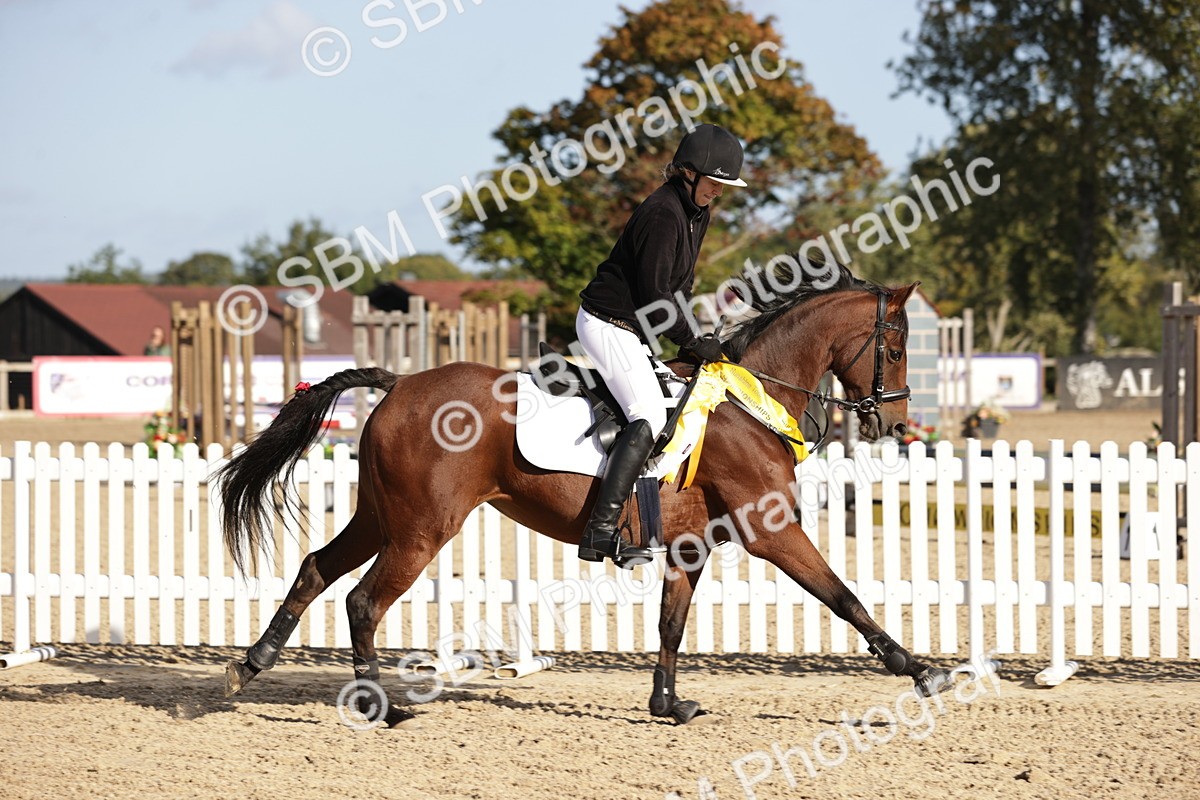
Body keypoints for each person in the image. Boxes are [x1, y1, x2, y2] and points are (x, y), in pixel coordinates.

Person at [575, 123, 747, 566]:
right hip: (605, 322)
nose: (718, 194)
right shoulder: (662, 213)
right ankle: (600, 529)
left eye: (724, 187)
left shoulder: (696, 212)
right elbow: (655, 295)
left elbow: (680, 288)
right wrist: (690, 340)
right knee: (648, 412)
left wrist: (697, 339)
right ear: (688, 172)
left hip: (633, 328)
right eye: (715, 183)